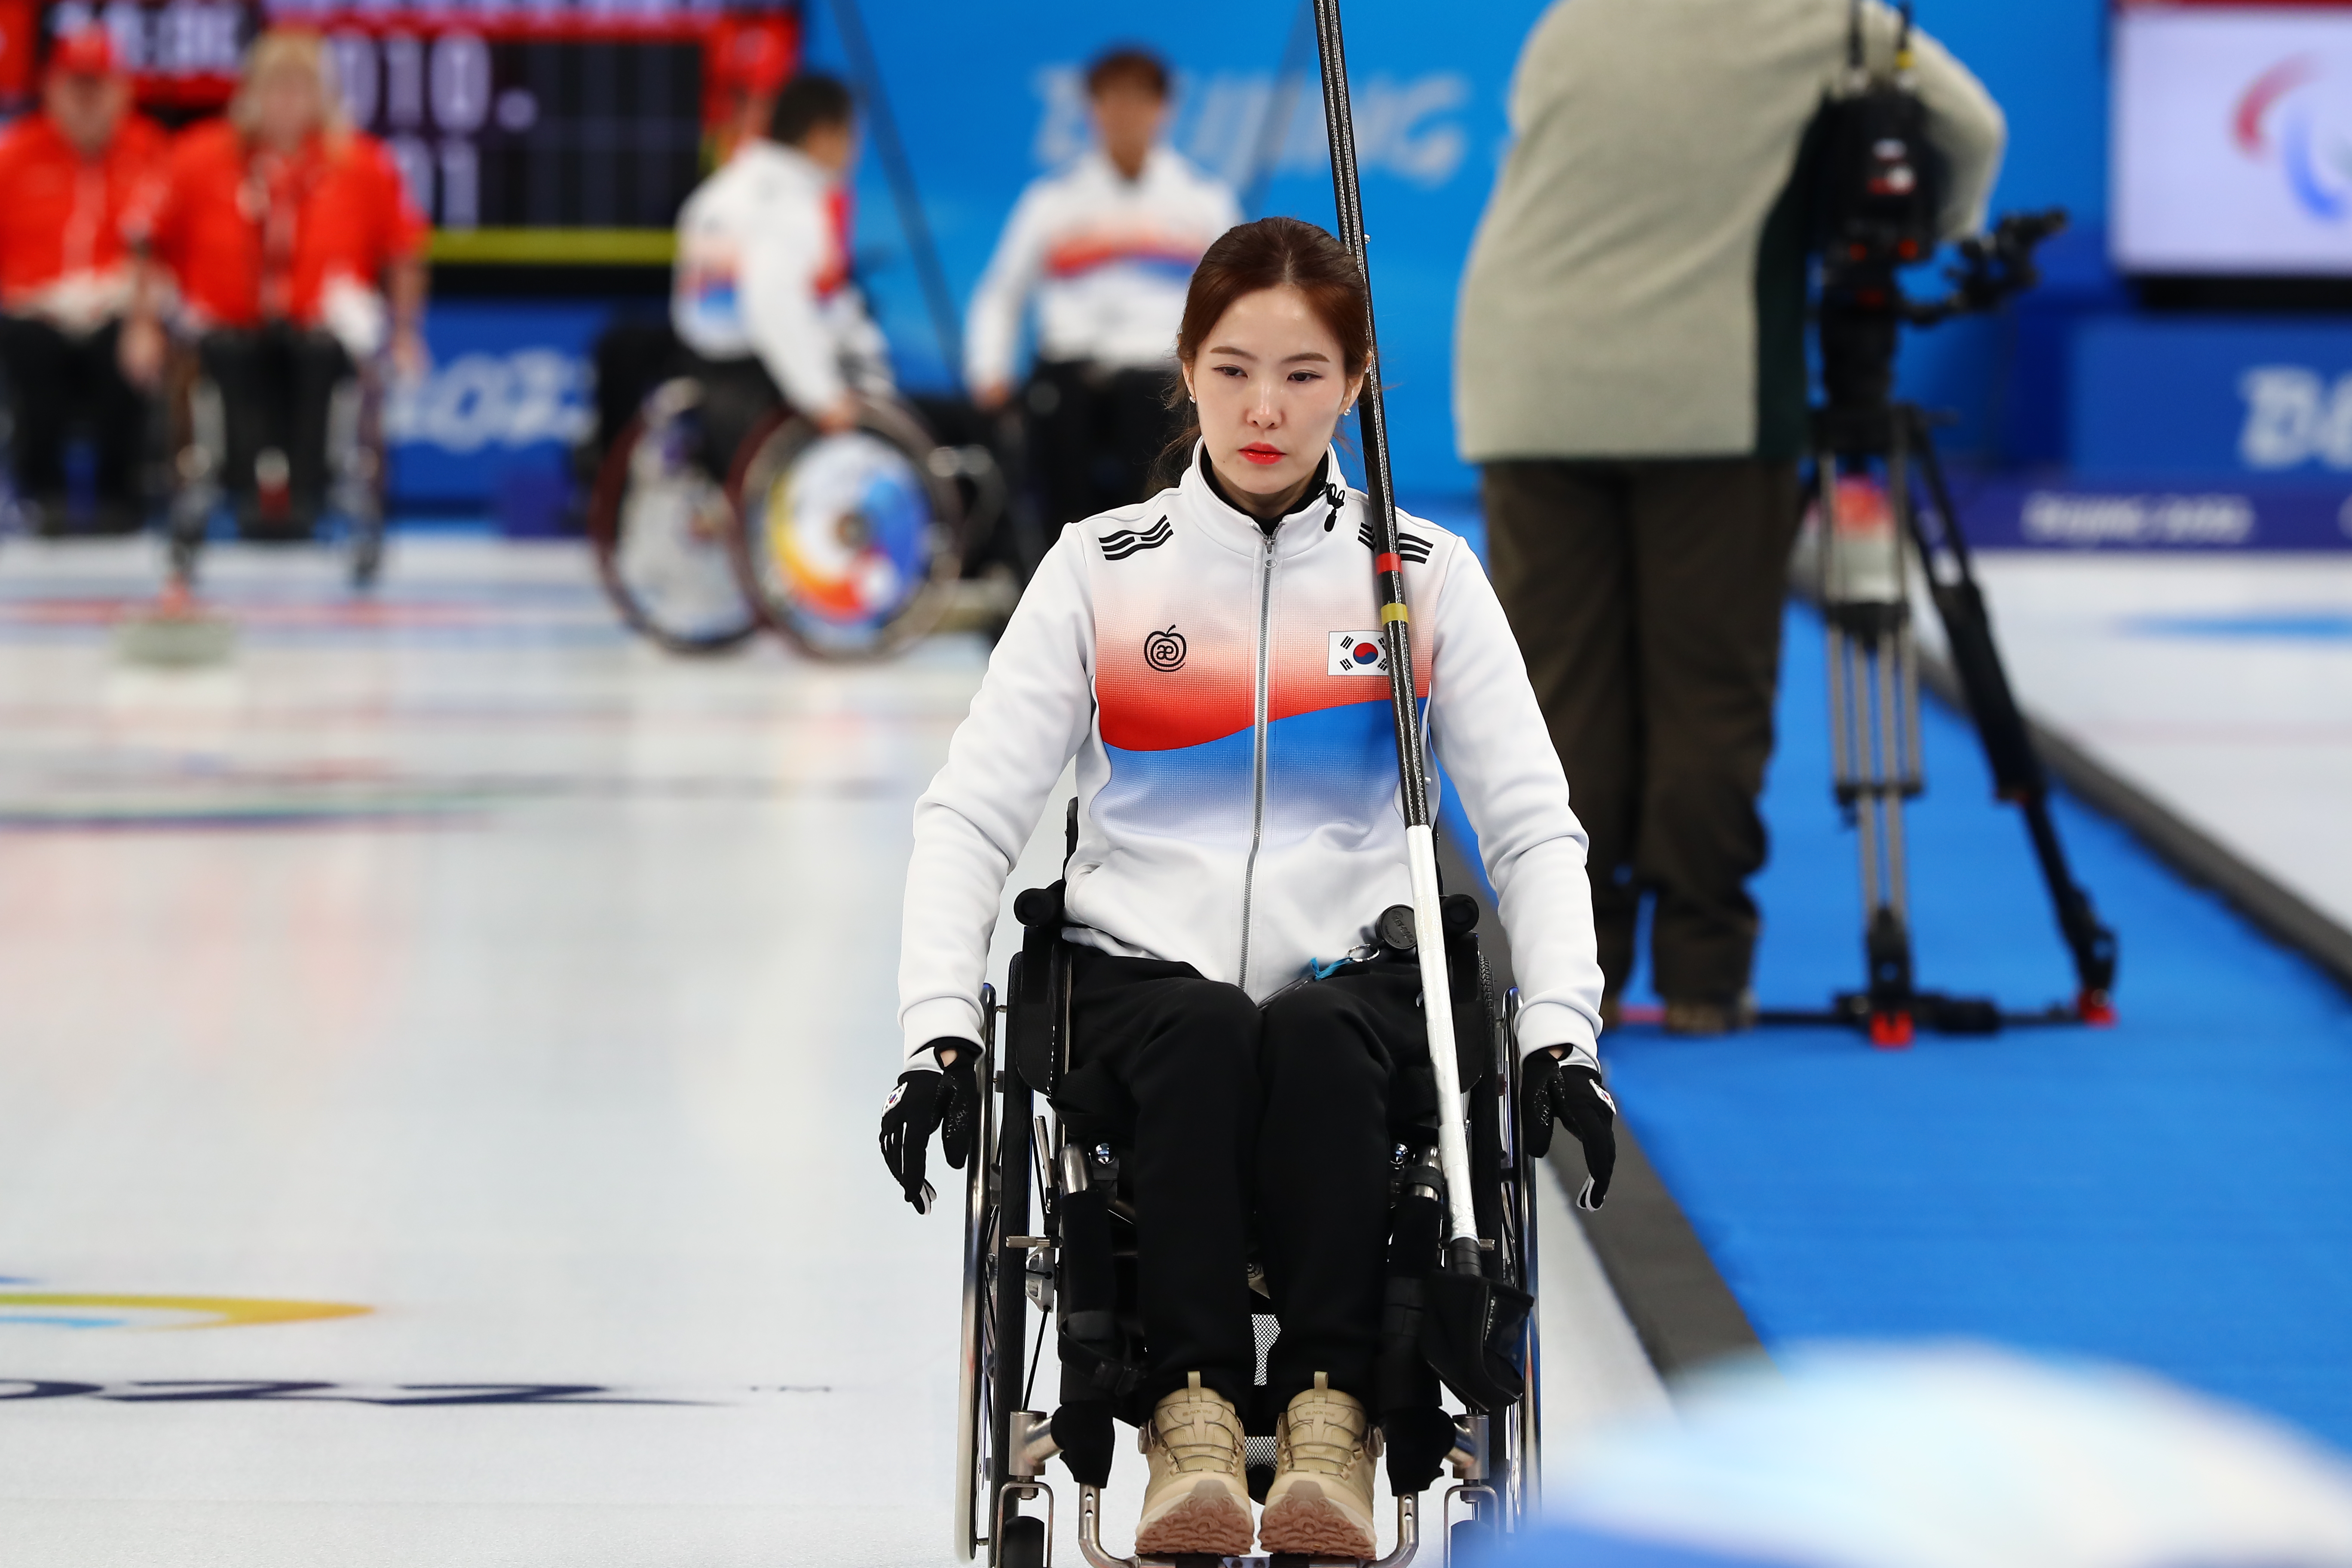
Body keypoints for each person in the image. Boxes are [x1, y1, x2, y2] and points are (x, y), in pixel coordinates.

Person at [880, 217, 1617, 1560]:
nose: (1265, 409)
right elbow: (972, 813)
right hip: (1136, 979)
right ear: (1184, 372)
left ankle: (1330, 1419)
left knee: (1322, 1036)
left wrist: (1562, 1030)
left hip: (1358, 979)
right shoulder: (1100, 571)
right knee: (1212, 1031)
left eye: (1302, 373)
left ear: (1358, 384)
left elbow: (1531, 826)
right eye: (1231, 372)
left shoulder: (1424, 577)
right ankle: (1193, 1415)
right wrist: (936, 1026)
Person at [1455, 0, 2003, 1035]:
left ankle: (1577, 973)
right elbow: (1971, 129)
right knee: (1707, 686)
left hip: (1526, 379)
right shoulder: (1827, 21)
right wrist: (1934, 232)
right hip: (1706, 393)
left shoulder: (1572, 21)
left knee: (1555, 690)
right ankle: (1705, 975)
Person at [147, 28, 427, 540]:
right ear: (249, 92)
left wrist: (406, 333)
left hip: (322, 324)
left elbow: (403, 254)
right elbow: (152, 246)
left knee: (317, 354)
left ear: (323, 95)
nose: (286, 101)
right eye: (275, 86)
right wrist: (145, 324)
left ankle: (307, 493)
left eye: (300, 87)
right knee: (229, 355)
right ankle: (243, 490)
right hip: (227, 321)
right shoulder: (199, 158)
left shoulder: (362, 164)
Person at [965, 46, 1239, 529]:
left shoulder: (1204, 204)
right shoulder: (1051, 202)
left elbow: (1236, 301)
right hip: (1071, 381)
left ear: (1164, 108)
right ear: (1092, 108)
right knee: (1064, 504)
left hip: (1161, 382)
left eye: (1139, 100)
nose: (1125, 115)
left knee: (1158, 492)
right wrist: (990, 374)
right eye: (1112, 100)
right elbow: (1001, 293)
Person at [670, 71, 889, 482]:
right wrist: (825, 399)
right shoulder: (793, 208)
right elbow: (773, 305)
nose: (856, 151)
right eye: (852, 135)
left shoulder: (718, 193)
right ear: (824, 135)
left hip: (706, 372)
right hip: (763, 390)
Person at [0, 27, 169, 535]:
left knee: (129, 347)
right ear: (52, 88)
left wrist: (147, 318)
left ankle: (123, 496)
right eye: (76, 86)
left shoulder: (153, 153)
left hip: (119, 305)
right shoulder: (13, 155)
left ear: (122, 90)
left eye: (98, 87)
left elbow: (167, 249)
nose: (87, 101)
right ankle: (43, 494)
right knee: (30, 348)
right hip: (32, 309)